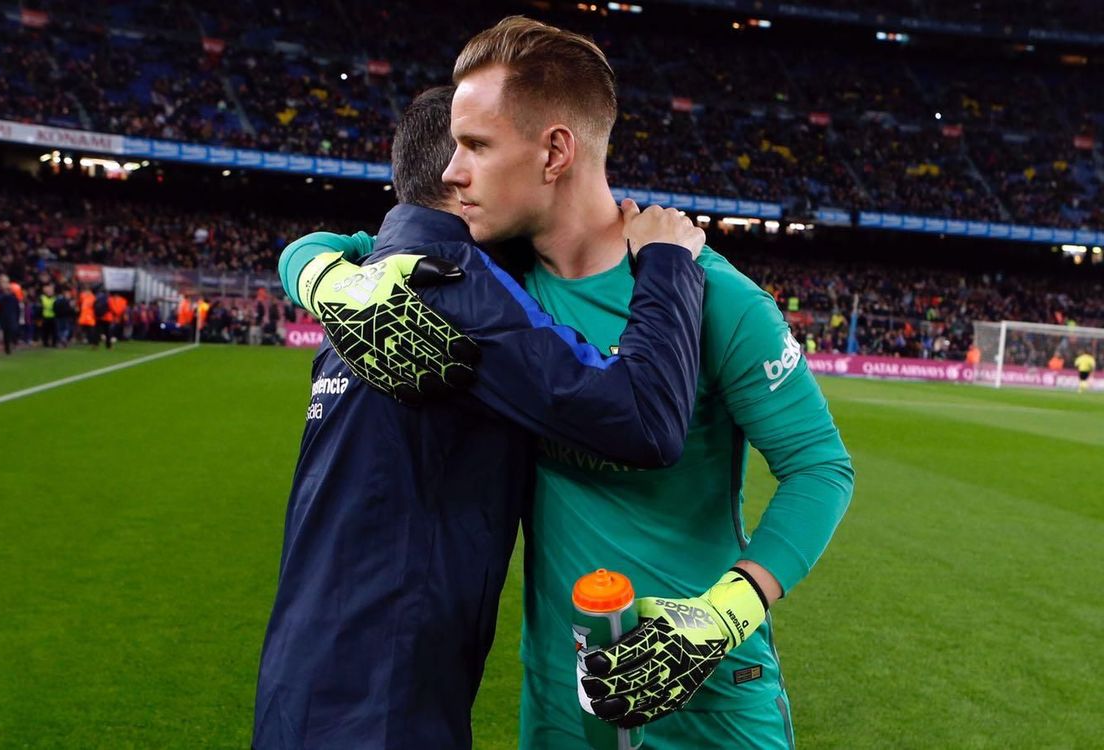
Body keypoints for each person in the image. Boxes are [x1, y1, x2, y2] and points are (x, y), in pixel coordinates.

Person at [304, 17, 853, 748]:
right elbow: (359, 248)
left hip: (709, 697)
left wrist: (727, 610)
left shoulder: (711, 295)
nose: (450, 171)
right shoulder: (494, 283)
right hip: (566, 699)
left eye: (476, 145)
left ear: (555, 150)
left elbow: (820, 468)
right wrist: (310, 271)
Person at [254, 85, 708, 750]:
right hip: (381, 706)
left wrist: (308, 262)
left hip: (303, 688)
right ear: (462, 176)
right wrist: (668, 264)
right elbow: (643, 419)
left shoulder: (366, 280)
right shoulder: (454, 280)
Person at [0, 275, 21, 355]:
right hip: (3, 317)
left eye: (6, 282)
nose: (5, 284)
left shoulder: (13, 294)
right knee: (6, 333)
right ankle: (7, 348)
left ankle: (12, 344)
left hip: (12, 316)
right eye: (3, 282)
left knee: (13, 331)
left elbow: (17, 307)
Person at [39, 283, 57, 347]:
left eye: (51, 291)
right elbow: (40, 308)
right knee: (45, 332)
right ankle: (45, 343)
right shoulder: (42, 298)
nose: (50, 292)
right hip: (45, 317)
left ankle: (54, 343)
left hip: (53, 317)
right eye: (48, 291)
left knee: (54, 332)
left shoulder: (55, 298)